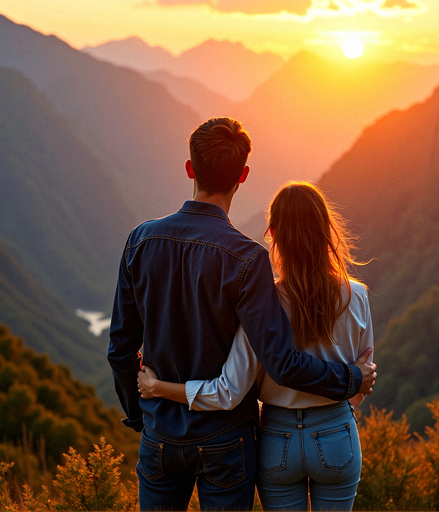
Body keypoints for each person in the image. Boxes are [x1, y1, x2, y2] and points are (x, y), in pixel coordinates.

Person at [108, 118, 377, 511]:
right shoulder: (248, 260)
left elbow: (120, 350)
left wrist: (141, 413)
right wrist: (351, 378)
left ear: (190, 168)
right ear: (243, 176)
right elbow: (280, 363)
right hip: (227, 439)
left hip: (161, 432)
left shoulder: (141, 240)